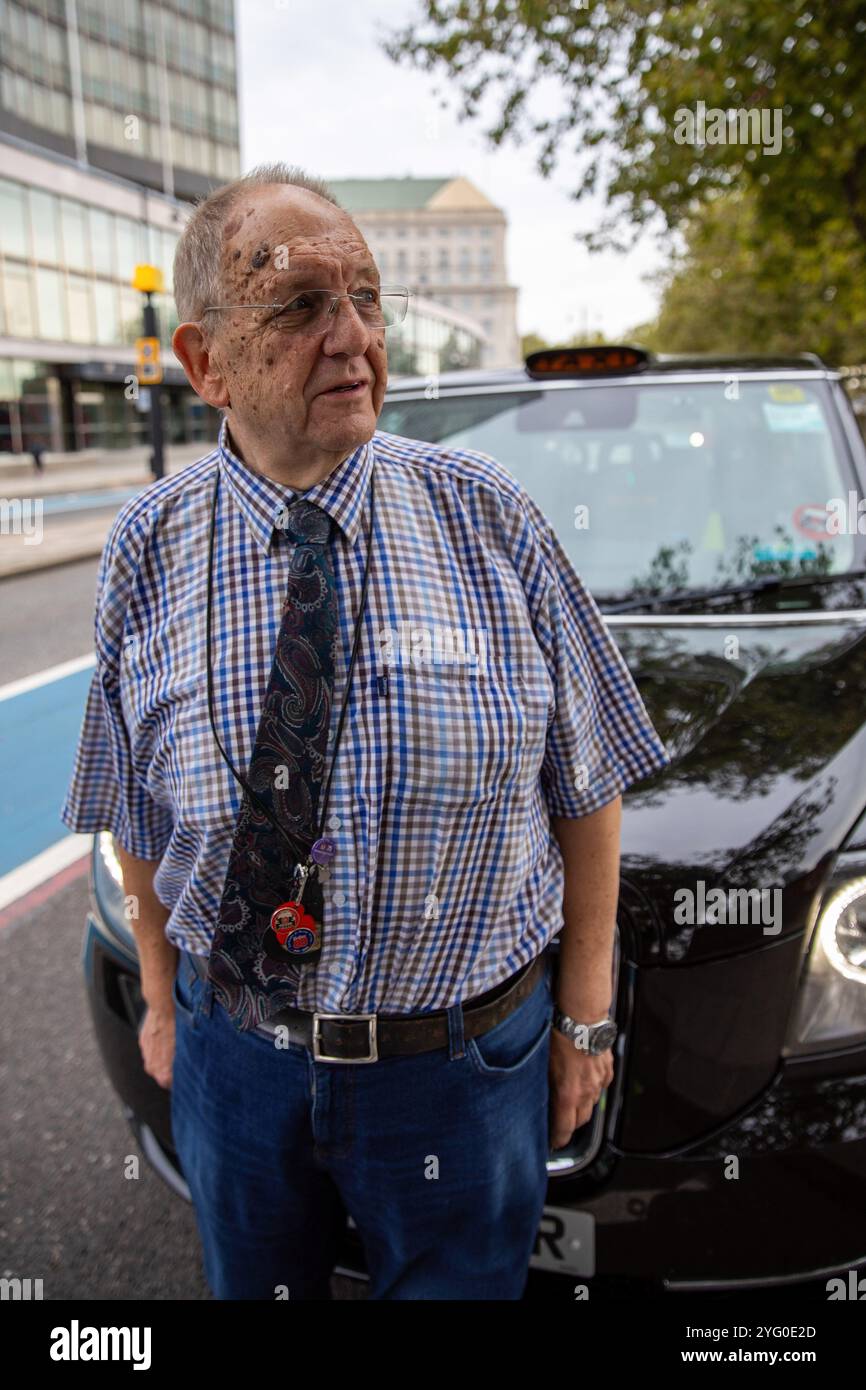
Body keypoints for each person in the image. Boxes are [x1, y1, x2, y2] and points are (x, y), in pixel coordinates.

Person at [61, 163, 670, 1301]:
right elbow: (132, 810)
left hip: (460, 1070)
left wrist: (583, 1015)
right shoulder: (145, 547)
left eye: (366, 300)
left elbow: (585, 778)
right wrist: (157, 993)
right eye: (298, 306)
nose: (351, 337)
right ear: (205, 364)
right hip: (236, 1057)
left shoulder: (487, 513)